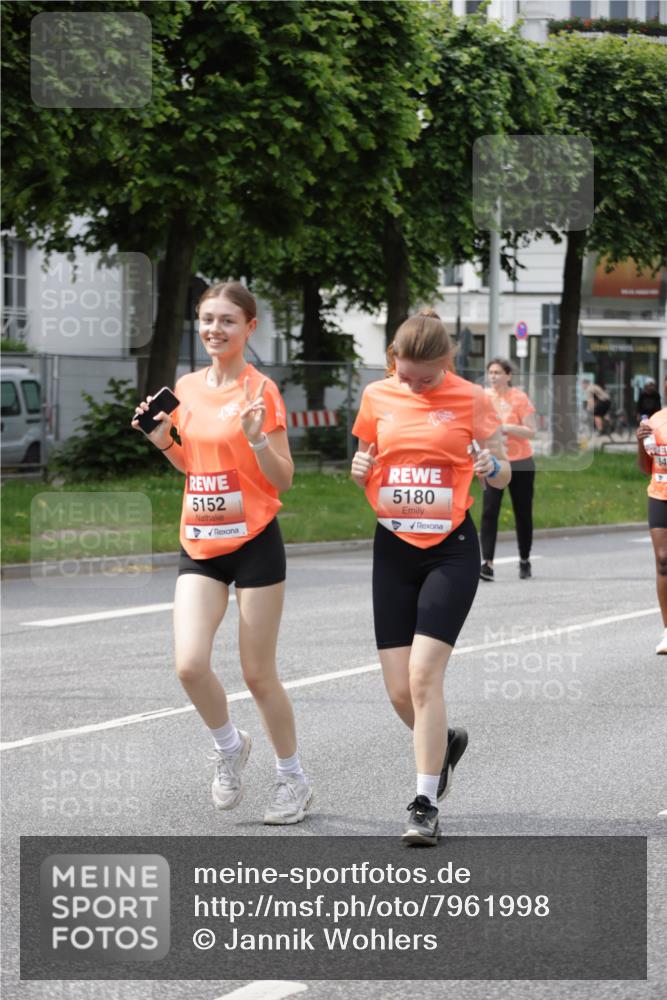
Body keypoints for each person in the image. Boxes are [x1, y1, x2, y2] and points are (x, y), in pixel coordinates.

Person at [131, 281, 313, 824]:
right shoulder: (186, 387)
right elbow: (195, 466)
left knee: (258, 674)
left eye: (228, 321)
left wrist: (257, 438)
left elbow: (282, 478)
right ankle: (230, 747)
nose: (215, 329)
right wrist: (163, 438)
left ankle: (292, 780)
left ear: (249, 328)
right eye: (208, 319)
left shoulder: (262, 391)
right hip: (201, 542)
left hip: (255, 540)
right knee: (189, 666)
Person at [351, 308, 509, 845]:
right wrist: (360, 470)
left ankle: (423, 803)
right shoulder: (378, 396)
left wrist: (492, 468)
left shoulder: (472, 398)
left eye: (426, 377)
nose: (413, 386)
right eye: (405, 374)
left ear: (448, 361)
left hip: (451, 549)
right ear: (393, 359)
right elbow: (368, 456)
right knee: (399, 691)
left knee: (423, 676)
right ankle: (444, 742)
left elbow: (504, 468)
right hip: (392, 547)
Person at [479, 358, 537, 581]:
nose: (493, 376)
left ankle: (524, 559)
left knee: (522, 511)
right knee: (489, 511)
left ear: (508, 375)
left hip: (520, 461)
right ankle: (487, 563)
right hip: (493, 460)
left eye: (497, 372)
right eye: (490, 372)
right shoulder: (484, 397)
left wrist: (508, 427)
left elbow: (532, 431)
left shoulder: (519, 397)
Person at [637, 377, 667, 655]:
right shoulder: (655, 421)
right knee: (663, 560)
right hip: (659, 494)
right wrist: (639, 442)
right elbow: (645, 466)